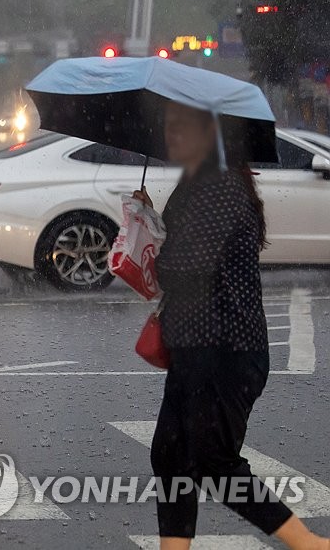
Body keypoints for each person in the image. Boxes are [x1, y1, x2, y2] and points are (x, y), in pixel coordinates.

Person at [137, 102, 329, 550]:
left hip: (225, 349)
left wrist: (152, 251)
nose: (173, 138)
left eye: (183, 130)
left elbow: (187, 264)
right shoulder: (199, 184)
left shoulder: (220, 188)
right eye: (171, 129)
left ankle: (309, 544)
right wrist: (148, 220)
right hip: (194, 345)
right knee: (170, 456)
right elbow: (185, 249)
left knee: (214, 461)